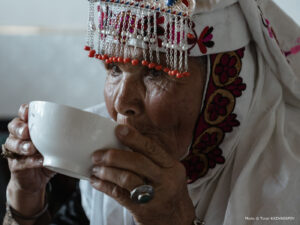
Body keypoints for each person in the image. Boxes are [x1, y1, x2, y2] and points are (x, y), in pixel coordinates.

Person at [2, 0, 300, 224]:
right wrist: (25, 200)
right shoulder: (102, 155)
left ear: (226, 79)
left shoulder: (289, 184)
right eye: (114, 69)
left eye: (156, 73)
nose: (121, 104)